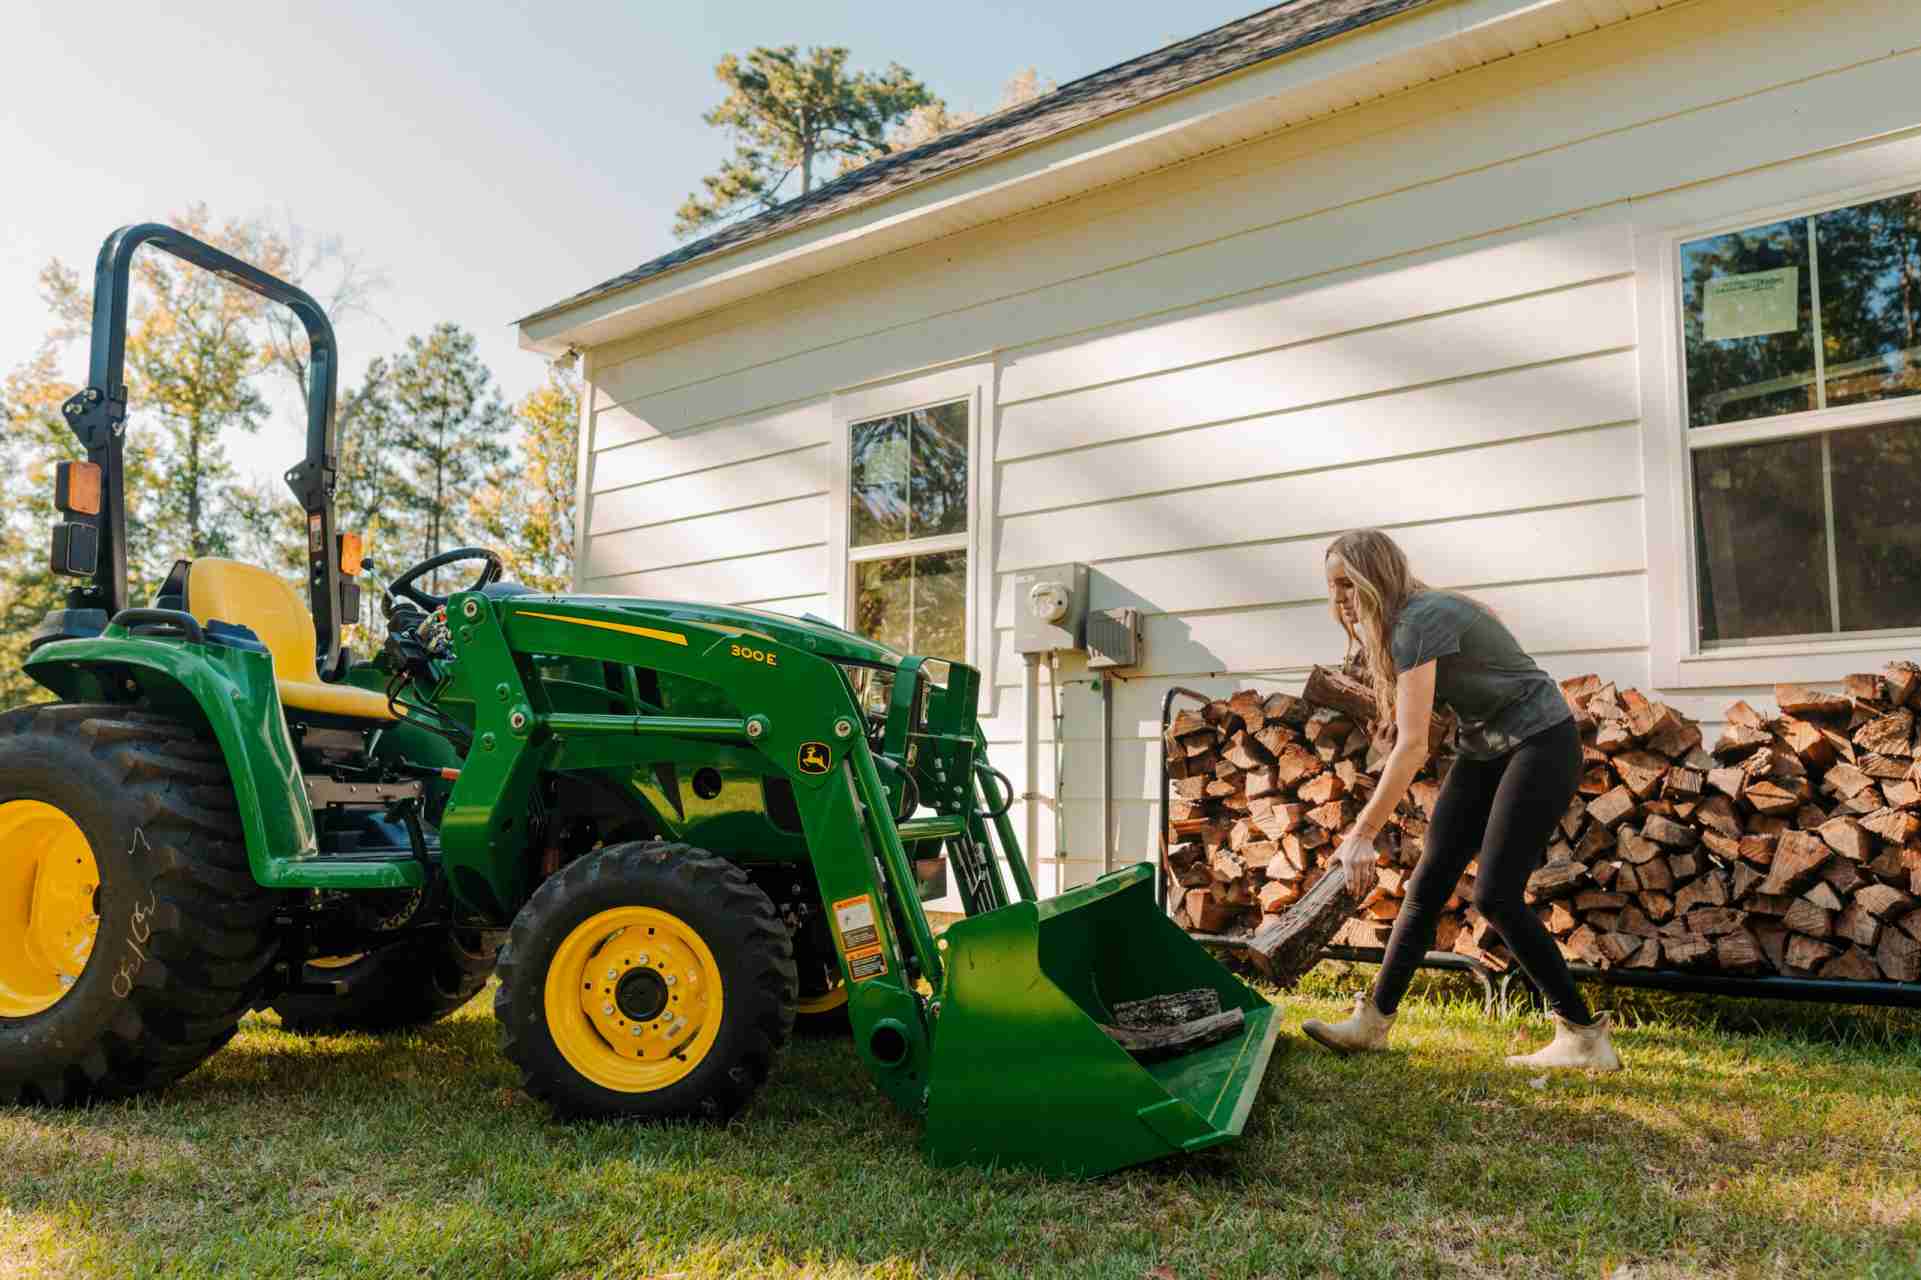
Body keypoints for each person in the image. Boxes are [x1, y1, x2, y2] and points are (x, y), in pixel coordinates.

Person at [1299, 529, 1622, 1071]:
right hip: (1486, 745)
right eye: (1333, 588)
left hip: (1541, 741)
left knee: (1495, 895)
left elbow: (1412, 748)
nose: (1341, 601)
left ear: (1376, 578)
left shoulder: (1419, 620)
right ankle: (1372, 1025)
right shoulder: (1407, 624)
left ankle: (1585, 1038)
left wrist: (1361, 835)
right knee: (1428, 883)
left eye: (1348, 585)